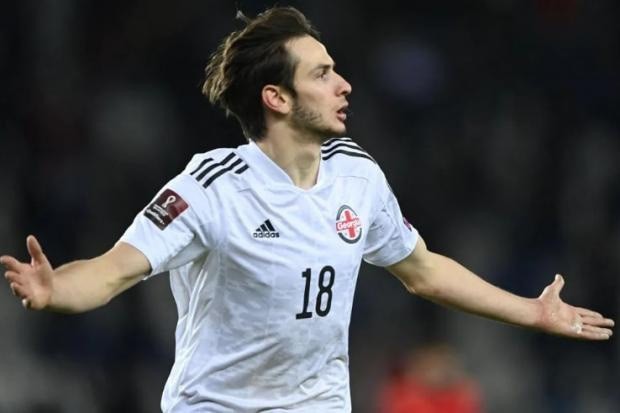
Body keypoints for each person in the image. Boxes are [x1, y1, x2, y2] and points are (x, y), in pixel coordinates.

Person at [1, 6, 614, 413]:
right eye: (322, 74)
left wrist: (532, 311)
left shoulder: (358, 176)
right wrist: (57, 290)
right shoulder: (211, 188)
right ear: (277, 97)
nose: (343, 84)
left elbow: (423, 270)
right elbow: (113, 271)